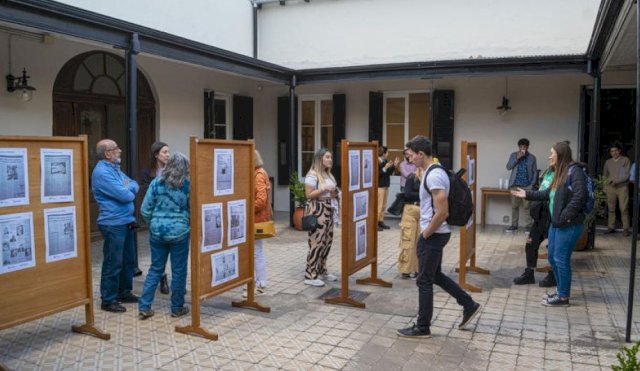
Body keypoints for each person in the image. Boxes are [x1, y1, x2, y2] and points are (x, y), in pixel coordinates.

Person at [397, 135, 481, 338]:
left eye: (411, 156)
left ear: (421, 154)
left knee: (423, 281)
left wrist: (425, 234)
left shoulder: (433, 176)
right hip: (437, 234)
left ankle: (422, 327)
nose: (410, 161)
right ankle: (468, 304)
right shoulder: (431, 171)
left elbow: (442, 211)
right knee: (434, 276)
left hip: (434, 234)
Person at [512, 141, 588, 307]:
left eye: (551, 153)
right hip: (557, 223)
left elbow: (579, 196)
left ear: (560, 155)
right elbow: (548, 193)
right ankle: (560, 291)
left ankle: (563, 297)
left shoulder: (574, 172)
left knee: (561, 260)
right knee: (553, 258)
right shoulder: (560, 172)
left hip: (567, 225)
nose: (549, 156)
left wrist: (565, 216)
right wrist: (527, 194)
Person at [138, 153, 191, 319]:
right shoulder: (187, 185)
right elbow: (192, 209)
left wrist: (154, 223)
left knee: (155, 268)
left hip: (157, 232)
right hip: (180, 233)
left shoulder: (156, 183)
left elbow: (144, 209)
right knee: (179, 271)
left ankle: (145, 306)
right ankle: (177, 308)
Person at [91, 139, 140, 313]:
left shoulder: (115, 169)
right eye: (116, 148)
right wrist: (127, 189)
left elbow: (134, 184)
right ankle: (108, 299)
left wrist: (128, 187)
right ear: (107, 154)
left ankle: (124, 292)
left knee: (128, 260)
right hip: (112, 223)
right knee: (114, 262)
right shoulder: (102, 173)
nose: (119, 151)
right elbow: (125, 196)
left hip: (126, 221)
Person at [512, 166, 556, 287]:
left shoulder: (561, 174)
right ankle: (529, 273)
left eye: (553, 154)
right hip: (540, 215)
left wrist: (528, 194)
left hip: (552, 216)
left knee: (552, 248)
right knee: (530, 244)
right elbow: (540, 189)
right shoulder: (547, 172)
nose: (549, 157)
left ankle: (553, 275)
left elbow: (547, 194)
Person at [303, 148, 339, 287]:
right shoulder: (313, 174)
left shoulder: (328, 174)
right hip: (317, 210)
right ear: (320, 159)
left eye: (330, 157)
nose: (330, 159)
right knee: (316, 243)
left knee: (327, 242)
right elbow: (308, 194)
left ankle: (322, 270)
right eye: (327, 157)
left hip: (329, 209)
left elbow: (333, 193)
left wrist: (335, 192)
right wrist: (324, 189)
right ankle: (310, 275)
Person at [140, 141, 171, 295]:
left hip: (172, 217)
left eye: (168, 152)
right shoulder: (148, 172)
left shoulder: (173, 170)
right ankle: (162, 277)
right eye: (165, 152)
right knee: (158, 253)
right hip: (157, 216)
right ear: (156, 155)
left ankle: (177, 283)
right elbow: (147, 194)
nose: (168, 155)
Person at [246, 149, 271, 296]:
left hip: (257, 219)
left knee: (256, 252)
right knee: (257, 252)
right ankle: (260, 281)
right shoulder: (259, 172)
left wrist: (246, 208)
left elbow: (261, 201)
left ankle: (260, 282)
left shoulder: (258, 175)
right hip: (258, 218)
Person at [506, 138, 538, 232]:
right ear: (518, 147)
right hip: (515, 184)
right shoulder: (513, 155)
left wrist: (532, 184)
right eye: (521, 146)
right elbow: (508, 167)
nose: (522, 148)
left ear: (527, 147)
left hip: (527, 185)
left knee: (527, 206)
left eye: (524, 147)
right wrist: (517, 158)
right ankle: (514, 225)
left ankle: (528, 226)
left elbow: (535, 172)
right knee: (514, 206)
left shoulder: (532, 157)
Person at [397, 167, 422, 279]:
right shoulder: (412, 177)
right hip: (411, 210)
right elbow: (407, 194)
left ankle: (418, 269)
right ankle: (405, 270)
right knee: (408, 240)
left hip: (424, 211)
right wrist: (423, 194)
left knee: (420, 241)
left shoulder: (430, 178)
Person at [603, 142, 631, 236]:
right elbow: (605, 175)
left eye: (615, 151)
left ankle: (626, 228)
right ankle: (611, 227)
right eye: (612, 151)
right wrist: (605, 186)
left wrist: (617, 181)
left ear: (619, 151)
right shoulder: (608, 162)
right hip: (610, 187)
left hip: (622, 187)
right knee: (611, 208)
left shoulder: (625, 160)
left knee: (623, 208)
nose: (614, 153)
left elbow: (626, 175)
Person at [378, 146, 399, 231]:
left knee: (383, 206)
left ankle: (381, 221)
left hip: (386, 186)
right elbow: (377, 174)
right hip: (379, 187)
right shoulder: (377, 161)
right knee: (378, 206)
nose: (388, 154)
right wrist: (385, 168)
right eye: (387, 152)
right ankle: (376, 223)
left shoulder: (385, 161)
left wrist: (394, 165)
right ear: (383, 153)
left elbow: (388, 173)